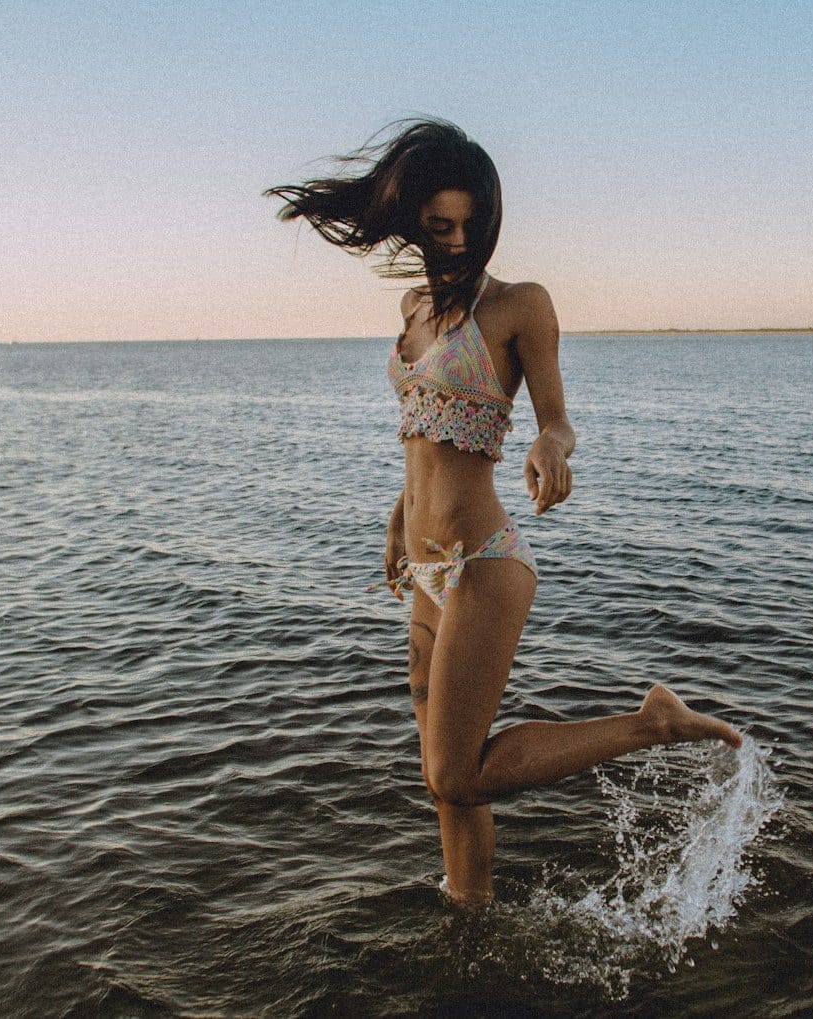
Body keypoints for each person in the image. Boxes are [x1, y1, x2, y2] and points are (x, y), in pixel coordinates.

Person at [265, 118, 741, 908]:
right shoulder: (415, 309)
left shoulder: (520, 305)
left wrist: (552, 449)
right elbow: (425, 431)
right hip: (423, 566)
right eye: (438, 225)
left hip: (483, 558)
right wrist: (398, 514)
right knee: (448, 788)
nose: (454, 241)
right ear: (415, 219)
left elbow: (556, 417)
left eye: (468, 226)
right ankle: (469, 909)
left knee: (456, 767)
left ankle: (650, 723)